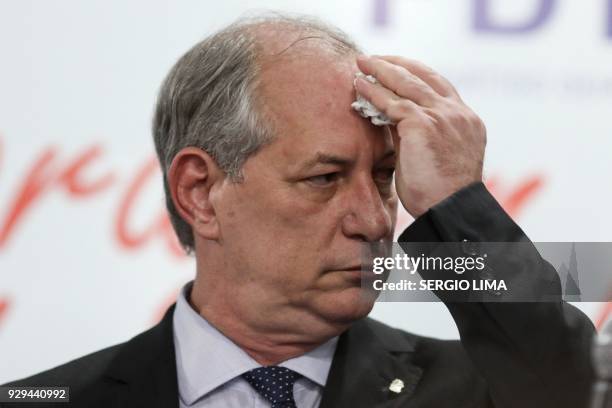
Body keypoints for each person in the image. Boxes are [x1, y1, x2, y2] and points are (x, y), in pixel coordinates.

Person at [3, 14, 594, 408]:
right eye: (324, 178)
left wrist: (456, 205)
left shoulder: (480, 390)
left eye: (386, 178)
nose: (373, 220)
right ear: (199, 192)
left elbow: (576, 388)